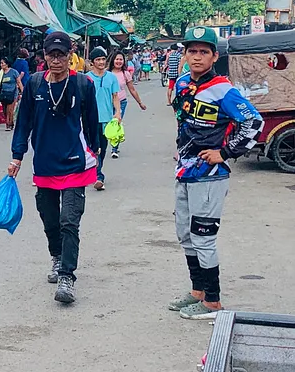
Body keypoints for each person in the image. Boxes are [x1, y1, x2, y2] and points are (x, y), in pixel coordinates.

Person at [168, 26, 263, 320]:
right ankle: (198, 291)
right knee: (185, 235)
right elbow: (184, 122)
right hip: (185, 172)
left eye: (203, 52)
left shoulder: (223, 89)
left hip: (211, 175)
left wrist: (225, 152)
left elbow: (254, 124)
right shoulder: (183, 84)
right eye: (192, 51)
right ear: (184, 54)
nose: (197, 57)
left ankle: (213, 302)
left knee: (203, 237)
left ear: (214, 56)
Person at [9, 31, 100, 304]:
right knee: (50, 220)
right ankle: (57, 256)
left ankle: (67, 277)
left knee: (69, 221)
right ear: (44, 56)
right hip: (45, 165)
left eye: (62, 55)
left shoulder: (83, 84)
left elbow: (92, 122)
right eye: (52, 55)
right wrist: (17, 156)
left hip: (75, 164)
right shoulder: (36, 85)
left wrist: (95, 151)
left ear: (70, 56)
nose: (57, 60)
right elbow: (23, 123)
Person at [86, 47, 121, 191]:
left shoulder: (111, 77)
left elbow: (115, 97)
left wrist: (118, 113)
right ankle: (98, 176)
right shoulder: (86, 78)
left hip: (107, 119)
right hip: (89, 120)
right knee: (94, 148)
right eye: (98, 60)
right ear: (92, 62)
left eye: (102, 59)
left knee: (103, 147)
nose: (101, 62)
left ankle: (97, 172)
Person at [108, 52, 147, 159]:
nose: (119, 61)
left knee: (116, 123)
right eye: (117, 59)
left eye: (121, 59)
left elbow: (132, 90)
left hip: (121, 102)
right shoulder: (107, 73)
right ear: (112, 60)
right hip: (107, 103)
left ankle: (114, 148)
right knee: (106, 125)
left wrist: (140, 103)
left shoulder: (125, 74)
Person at [0, 57, 23, 131]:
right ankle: (9, 122)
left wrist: (22, 91)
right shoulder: (1, 73)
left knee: (10, 109)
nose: (1, 65)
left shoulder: (14, 72)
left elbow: (19, 82)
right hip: (3, 93)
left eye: (2, 63)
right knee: (5, 110)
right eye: (1, 63)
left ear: (7, 64)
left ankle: (9, 125)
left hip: (12, 93)